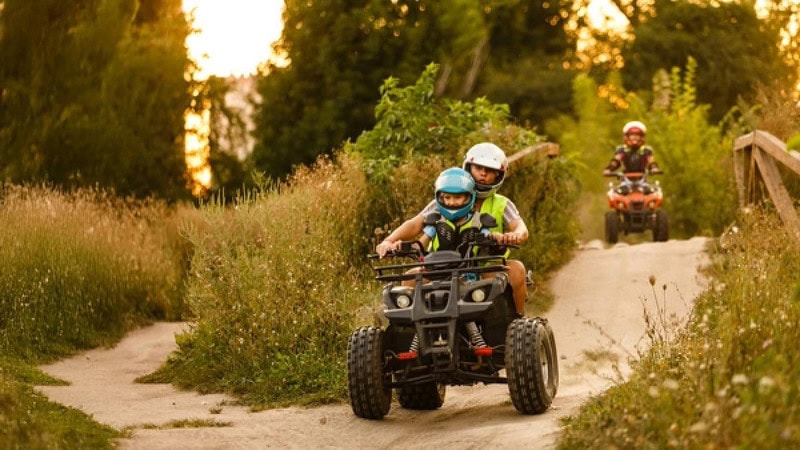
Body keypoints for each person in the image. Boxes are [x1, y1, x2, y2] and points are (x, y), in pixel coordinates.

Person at [376, 142, 530, 316]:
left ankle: (518, 321)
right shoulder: (444, 199)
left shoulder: (502, 203)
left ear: (498, 175)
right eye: (478, 167)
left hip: (483, 268)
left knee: (517, 270)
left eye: (489, 170)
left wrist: (513, 236)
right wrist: (388, 241)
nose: (483, 173)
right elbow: (415, 223)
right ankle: (411, 331)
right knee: (410, 278)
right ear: (468, 168)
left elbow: (519, 227)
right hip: (439, 268)